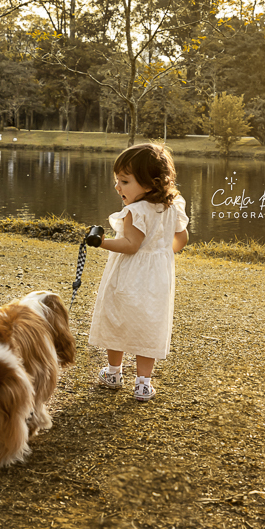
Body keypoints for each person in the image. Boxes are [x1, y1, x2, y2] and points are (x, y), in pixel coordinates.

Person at [89, 143, 189, 401]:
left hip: (129, 275)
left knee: (117, 318)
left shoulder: (134, 211)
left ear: (148, 184)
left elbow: (130, 245)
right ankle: (143, 384)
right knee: (149, 324)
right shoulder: (173, 206)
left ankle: (113, 373)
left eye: (124, 181)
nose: (117, 187)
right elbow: (181, 238)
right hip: (157, 277)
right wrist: (161, 255)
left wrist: (101, 242)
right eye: (117, 181)